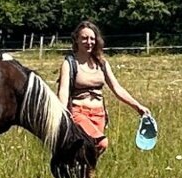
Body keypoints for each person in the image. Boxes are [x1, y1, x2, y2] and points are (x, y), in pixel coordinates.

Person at [57, 20, 150, 163]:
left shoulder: (101, 63)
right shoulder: (69, 63)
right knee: (101, 143)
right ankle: (80, 172)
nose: (89, 42)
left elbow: (117, 88)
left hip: (99, 115)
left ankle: (79, 175)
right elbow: (63, 91)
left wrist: (138, 107)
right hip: (78, 113)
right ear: (76, 39)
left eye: (92, 38)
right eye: (85, 38)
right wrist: (62, 115)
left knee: (90, 150)